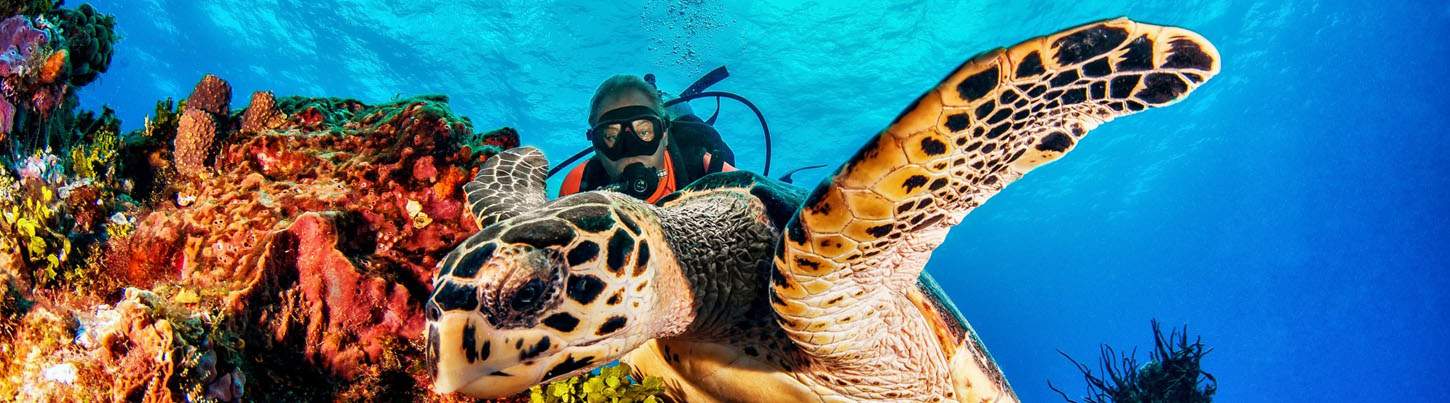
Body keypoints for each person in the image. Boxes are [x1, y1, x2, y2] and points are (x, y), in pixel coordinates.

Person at [558, 74, 736, 203]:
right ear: (597, 146)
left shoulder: (703, 165)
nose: (630, 149)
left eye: (644, 132)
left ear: (664, 135)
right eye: (612, 136)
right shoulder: (579, 187)